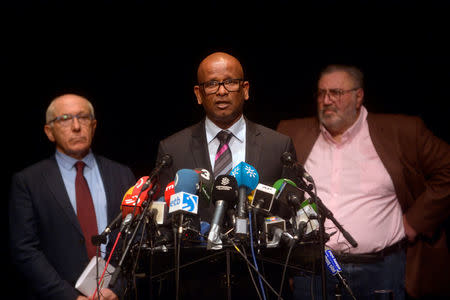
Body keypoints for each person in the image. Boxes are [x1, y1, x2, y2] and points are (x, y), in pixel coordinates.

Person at [277, 64, 450, 299]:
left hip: (381, 269)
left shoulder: (401, 131)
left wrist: (414, 221)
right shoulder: (293, 133)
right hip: (314, 269)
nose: (326, 100)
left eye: (336, 93)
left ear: (358, 96)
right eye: (321, 93)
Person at [154, 52, 297, 299]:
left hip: (261, 282)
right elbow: (165, 222)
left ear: (245, 89)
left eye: (230, 82)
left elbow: (288, 216)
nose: (221, 91)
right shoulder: (172, 150)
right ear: (198, 94)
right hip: (195, 285)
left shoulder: (278, 146)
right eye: (212, 84)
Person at [9, 94, 136, 300]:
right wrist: (69, 297)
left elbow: (135, 239)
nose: (76, 126)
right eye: (65, 119)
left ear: (93, 126)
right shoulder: (28, 182)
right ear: (49, 132)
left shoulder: (122, 175)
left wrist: (117, 289)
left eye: (83, 117)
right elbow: (25, 250)